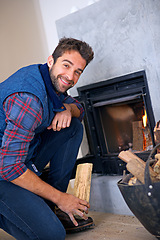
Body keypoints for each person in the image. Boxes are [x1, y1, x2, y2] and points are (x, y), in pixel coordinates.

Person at [0, 37, 94, 240]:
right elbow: (9, 167)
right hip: (5, 170)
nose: (70, 76)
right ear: (51, 60)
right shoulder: (28, 99)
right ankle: (53, 203)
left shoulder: (50, 80)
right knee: (52, 235)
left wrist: (68, 109)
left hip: (21, 158)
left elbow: (80, 108)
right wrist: (62, 198)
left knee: (73, 127)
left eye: (78, 71)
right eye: (66, 65)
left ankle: (50, 207)